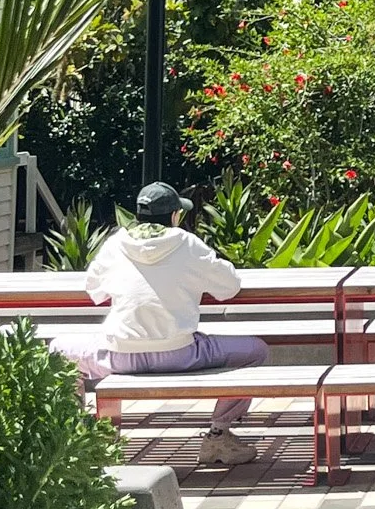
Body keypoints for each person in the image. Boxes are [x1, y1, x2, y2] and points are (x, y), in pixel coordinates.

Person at [64, 181, 267, 468]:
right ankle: (218, 434)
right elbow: (229, 286)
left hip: (119, 357)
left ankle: (74, 437)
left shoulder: (115, 244)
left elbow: (93, 288)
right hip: (180, 354)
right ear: (174, 216)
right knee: (256, 350)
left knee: (59, 350)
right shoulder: (187, 243)